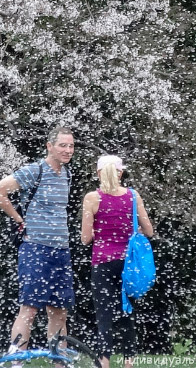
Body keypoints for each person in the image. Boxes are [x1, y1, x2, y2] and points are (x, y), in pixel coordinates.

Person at [0, 127, 75, 352]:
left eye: (71, 145)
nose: (67, 150)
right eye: (62, 145)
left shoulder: (67, 174)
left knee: (59, 310)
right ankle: (16, 360)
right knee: (30, 308)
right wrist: (19, 219)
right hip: (36, 247)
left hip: (61, 249)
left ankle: (59, 362)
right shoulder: (34, 171)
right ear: (49, 146)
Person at [80, 154, 154, 368]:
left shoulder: (92, 198)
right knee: (126, 311)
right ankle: (129, 361)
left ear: (98, 173)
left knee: (104, 314)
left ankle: (104, 362)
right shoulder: (133, 196)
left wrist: (99, 230)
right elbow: (148, 230)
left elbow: (85, 239)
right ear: (121, 172)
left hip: (102, 262)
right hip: (127, 263)